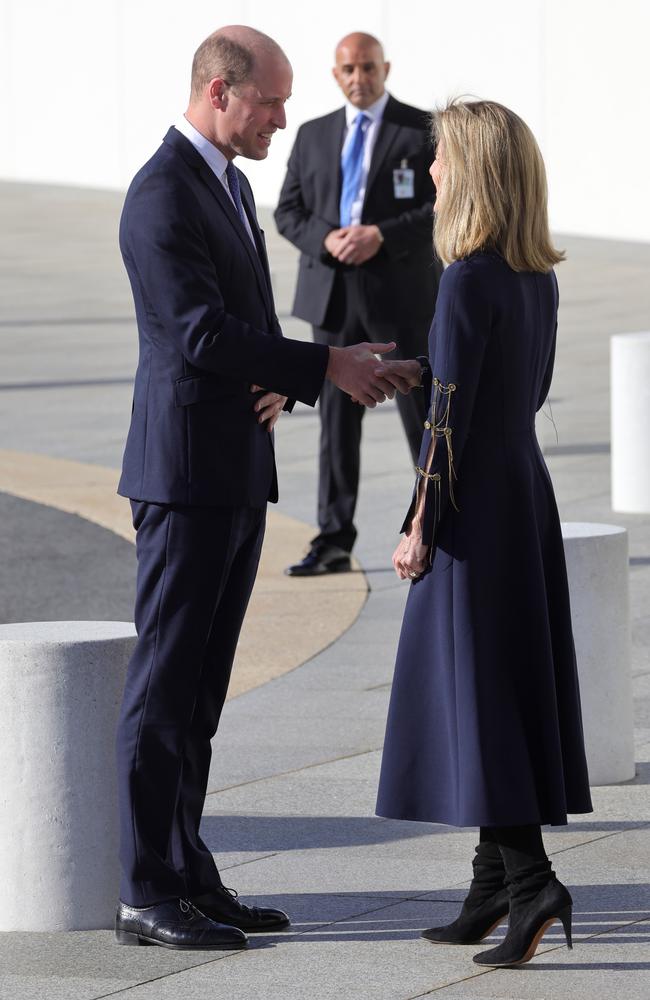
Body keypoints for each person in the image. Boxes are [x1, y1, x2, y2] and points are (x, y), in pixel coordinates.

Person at [114, 25, 417, 952]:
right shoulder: (161, 192)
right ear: (218, 91)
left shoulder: (229, 183)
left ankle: (187, 869)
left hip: (233, 470)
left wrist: (286, 375)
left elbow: (242, 325)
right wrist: (323, 363)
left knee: (203, 690)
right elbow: (197, 334)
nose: (285, 119)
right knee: (164, 688)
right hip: (185, 478)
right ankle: (142, 888)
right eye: (271, 102)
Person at [375, 99, 593, 968]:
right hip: (519, 488)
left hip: (471, 503)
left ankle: (533, 882)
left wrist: (418, 523)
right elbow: (508, 390)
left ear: (469, 170)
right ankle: (490, 886)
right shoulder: (532, 272)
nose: (427, 173)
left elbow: (446, 420)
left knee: (478, 692)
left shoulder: (466, 277)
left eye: (438, 161)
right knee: (499, 679)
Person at [275, 32, 440, 577]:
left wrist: (382, 235)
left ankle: (435, 524)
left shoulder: (421, 130)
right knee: (335, 430)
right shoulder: (313, 134)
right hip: (333, 297)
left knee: (426, 418)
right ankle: (334, 540)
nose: (358, 78)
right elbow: (289, 211)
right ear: (335, 74)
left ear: (385, 68)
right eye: (349, 69)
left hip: (400, 297)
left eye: (368, 67)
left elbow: (443, 206)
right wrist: (326, 238)